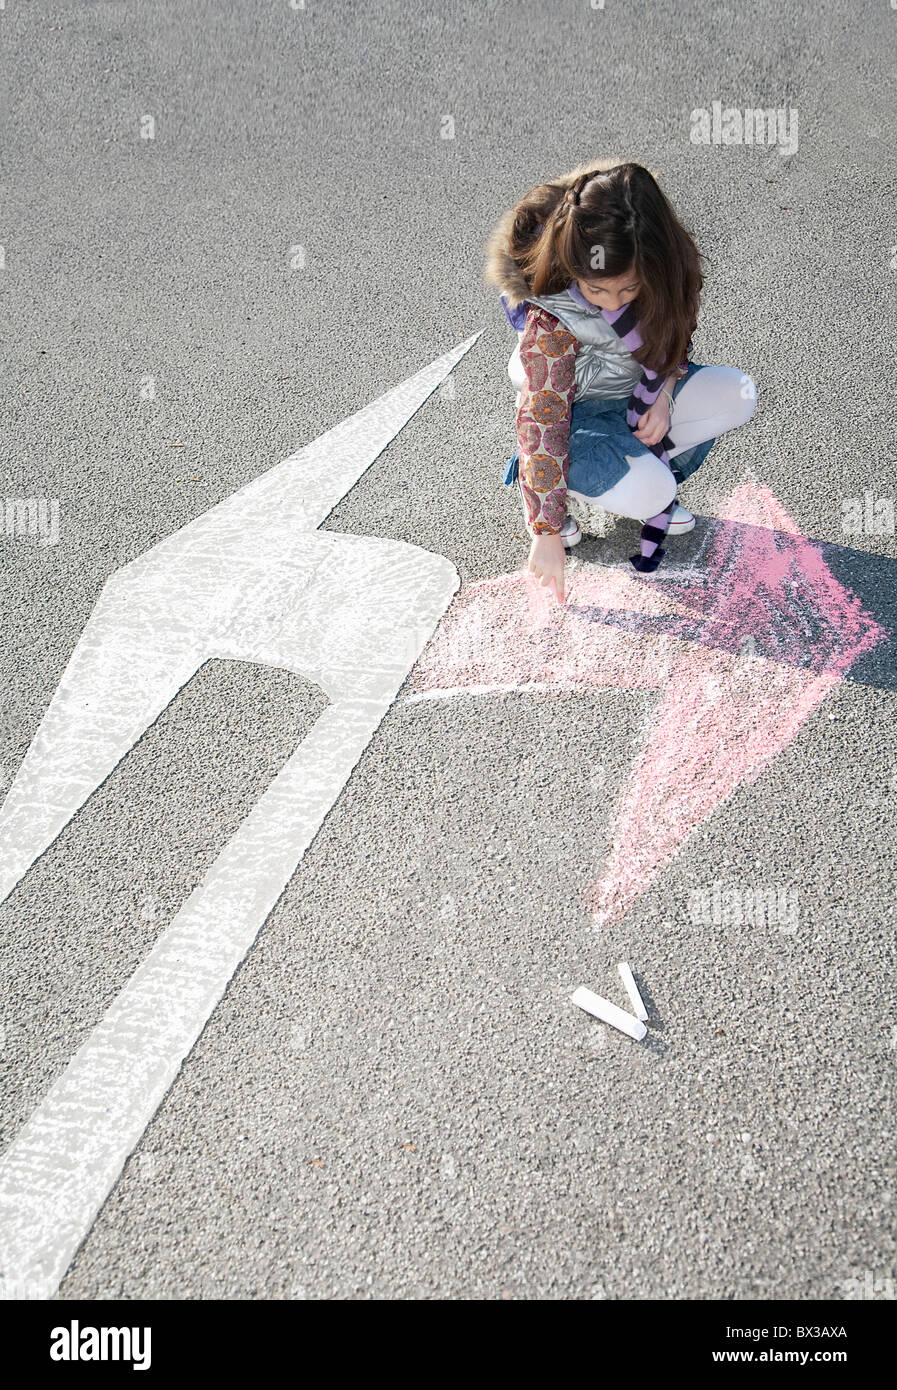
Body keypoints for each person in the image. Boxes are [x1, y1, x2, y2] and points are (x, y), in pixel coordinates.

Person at [484, 158, 758, 602]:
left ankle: (639, 472)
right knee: (653, 491)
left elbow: (673, 341)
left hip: (632, 396)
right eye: (595, 289)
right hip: (570, 415)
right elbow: (544, 418)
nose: (613, 302)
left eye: (628, 289)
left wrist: (665, 394)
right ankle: (550, 487)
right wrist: (546, 531)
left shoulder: (666, 270)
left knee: (738, 394)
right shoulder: (552, 315)